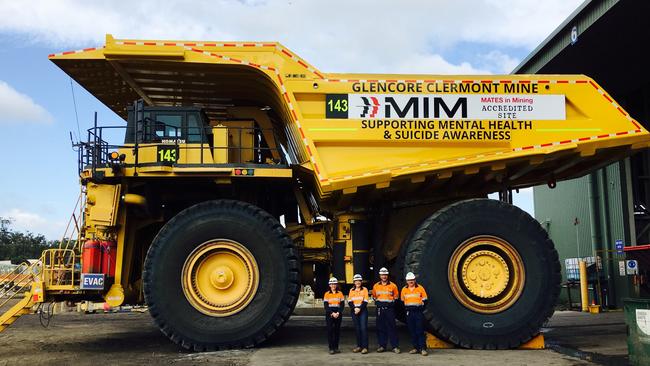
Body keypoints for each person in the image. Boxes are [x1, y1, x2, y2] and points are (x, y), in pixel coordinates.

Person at [371, 267, 400, 353]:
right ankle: (382, 346)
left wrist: (390, 304)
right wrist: (380, 304)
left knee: (392, 327)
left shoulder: (393, 286)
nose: (384, 276)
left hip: (389, 310)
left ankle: (395, 346)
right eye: (382, 275)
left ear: (387, 275)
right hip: (380, 309)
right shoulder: (375, 286)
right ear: (380, 276)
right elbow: (374, 297)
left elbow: (396, 297)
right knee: (381, 328)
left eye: (385, 275)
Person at [401, 272, 428, 356]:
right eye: (409, 280)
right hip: (409, 312)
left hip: (418, 312)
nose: (411, 281)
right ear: (406, 281)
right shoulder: (404, 290)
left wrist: (420, 308)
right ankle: (415, 348)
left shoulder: (420, 288)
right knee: (412, 330)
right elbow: (402, 301)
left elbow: (425, 300)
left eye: (412, 280)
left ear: (415, 280)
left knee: (420, 330)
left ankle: (423, 348)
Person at [348, 273, 369, 354]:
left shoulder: (365, 290)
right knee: (357, 329)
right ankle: (359, 346)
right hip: (354, 311)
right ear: (354, 282)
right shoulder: (351, 290)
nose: (358, 282)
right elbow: (350, 301)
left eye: (359, 281)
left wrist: (359, 308)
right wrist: (355, 308)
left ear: (361, 281)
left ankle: (365, 347)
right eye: (356, 281)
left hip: (363, 310)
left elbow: (365, 301)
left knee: (363, 328)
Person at [323, 277, 345, 354]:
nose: (333, 285)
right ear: (329, 285)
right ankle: (331, 348)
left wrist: (338, 313)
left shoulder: (340, 293)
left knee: (337, 331)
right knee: (330, 330)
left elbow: (342, 305)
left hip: (338, 313)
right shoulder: (326, 294)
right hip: (330, 313)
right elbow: (326, 306)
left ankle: (336, 347)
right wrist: (332, 313)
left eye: (334, 284)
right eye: (331, 284)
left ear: (336, 285)